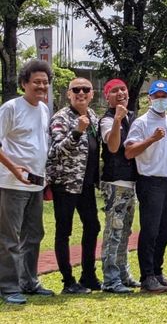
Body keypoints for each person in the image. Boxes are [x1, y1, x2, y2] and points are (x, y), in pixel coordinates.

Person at [0, 59, 54, 304]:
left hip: (36, 182)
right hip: (12, 183)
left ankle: (29, 281)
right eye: (36, 82)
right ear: (24, 84)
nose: (41, 87)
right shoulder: (11, 108)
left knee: (34, 234)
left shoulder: (43, 109)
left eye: (45, 82)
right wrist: (14, 168)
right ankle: (8, 286)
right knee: (10, 237)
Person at [124, 80, 167, 293]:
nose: (161, 100)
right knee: (150, 230)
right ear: (149, 98)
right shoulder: (141, 122)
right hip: (151, 181)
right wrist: (151, 139)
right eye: (157, 96)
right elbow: (129, 152)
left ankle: (157, 271)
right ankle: (147, 276)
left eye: (164, 96)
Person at [46, 77, 102, 294]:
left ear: (92, 94)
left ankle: (88, 275)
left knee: (93, 226)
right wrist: (77, 131)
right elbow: (56, 150)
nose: (81, 93)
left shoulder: (93, 117)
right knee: (64, 231)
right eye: (75, 90)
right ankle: (68, 281)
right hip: (66, 184)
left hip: (86, 185)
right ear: (68, 94)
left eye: (85, 89)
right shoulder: (61, 118)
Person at [98, 79, 141, 293]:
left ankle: (124, 274)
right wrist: (117, 119)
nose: (120, 93)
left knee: (125, 231)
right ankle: (110, 278)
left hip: (132, 181)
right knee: (113, 231)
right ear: (108, 96)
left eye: (123, 89)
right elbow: (113, 146)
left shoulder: (133, 117)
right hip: (115, 182)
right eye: (114, 91)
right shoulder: (106, 119)